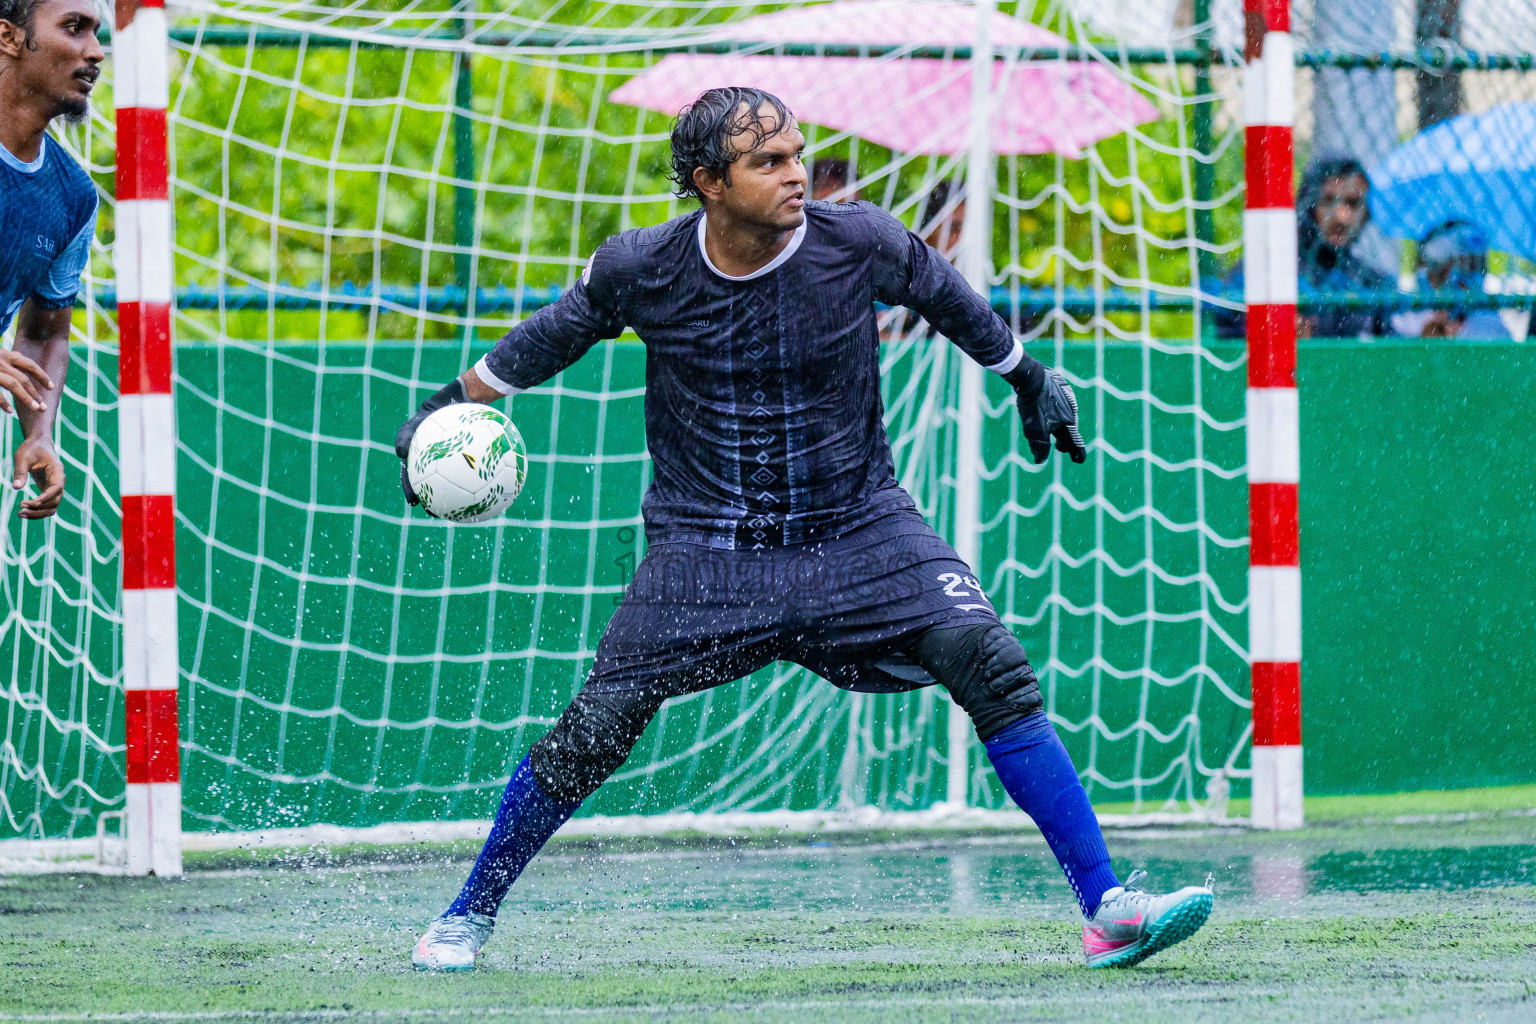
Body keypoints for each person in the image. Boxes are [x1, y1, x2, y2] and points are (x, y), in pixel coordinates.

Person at [396, 87, 1213, 973]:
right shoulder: (641, 267)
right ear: (709, 181)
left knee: (993, 665)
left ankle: (1108, 907)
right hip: (704, 553)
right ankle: (465, 914)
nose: (797, 176)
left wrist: (1026, 374)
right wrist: (443, 411)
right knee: (595, 728)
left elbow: (946, 296)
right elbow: (548, 339)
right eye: (770, 163)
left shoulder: (854, 240)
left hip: (861, 530)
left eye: (797, 154)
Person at [0, 0, 101, 520]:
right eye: (74, 28)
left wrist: (38, 433)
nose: (95, 51)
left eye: (96, 33)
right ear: (8, 37)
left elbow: (44, 333)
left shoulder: (74, 198)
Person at [1216, 153, 1391, 340]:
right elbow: (1226, 339)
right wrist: (1275, 338)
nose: (1341, 216)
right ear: (1309, 205)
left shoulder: (1369, 280)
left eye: (1353, 203)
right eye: (1329, 201)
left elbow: (1391, 352)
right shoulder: (1263, 269)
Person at [1391, 221, 1517, 340]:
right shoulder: (1406, 318)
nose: (1471, 277)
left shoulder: (1488, 324)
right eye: (1463, 266)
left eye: (1475, 266)